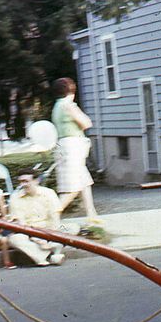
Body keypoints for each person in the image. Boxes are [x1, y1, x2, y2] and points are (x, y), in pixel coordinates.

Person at [51, 77, 100, 224]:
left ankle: (92, 216)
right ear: (72, 90)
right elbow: (86, 123)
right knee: (74, 187)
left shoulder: (57, 106)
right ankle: (52, 214)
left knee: (84, 181)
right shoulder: (69, 105)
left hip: (62, 144)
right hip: (73, 146)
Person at [7, 168, 65, 266]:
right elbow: (21, 223)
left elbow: (55, 217)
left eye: (26, 181)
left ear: (36, 181)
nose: (23, 184)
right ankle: (49, 255)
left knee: (72, 228)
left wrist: (51, 236)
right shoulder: (15, 197)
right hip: (29, 233)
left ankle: (46, 253)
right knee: (15, 239)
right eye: (21, 182)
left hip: (49, 230)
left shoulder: (49, 193)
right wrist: (36, 238)